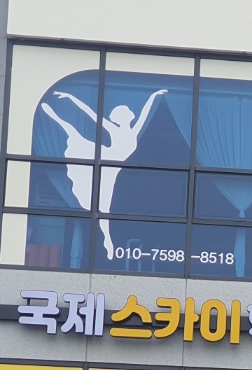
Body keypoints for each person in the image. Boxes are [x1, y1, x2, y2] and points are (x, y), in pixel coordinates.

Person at [40, 88, 168, 259]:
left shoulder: (134, 130)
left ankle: (107, 239)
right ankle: (53, 115)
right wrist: (71, 97)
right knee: (73, 133)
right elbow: (91, 114)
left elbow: (145, 112)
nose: (129, 114)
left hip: (113, 166)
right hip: (107, 159)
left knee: (105, 205)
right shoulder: (114, 129)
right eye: (125, 113)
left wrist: (153, 96)